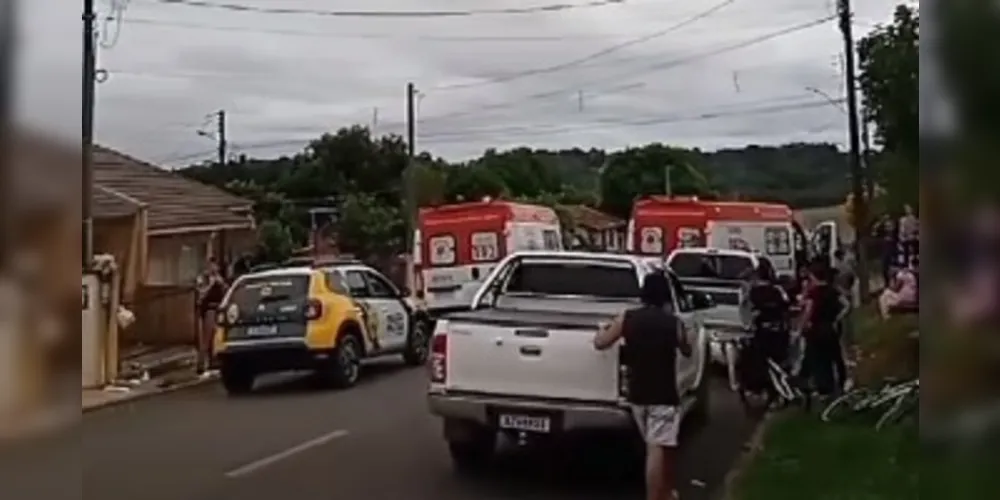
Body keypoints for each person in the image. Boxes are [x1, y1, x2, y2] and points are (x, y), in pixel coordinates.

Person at [593, 272, 691, 500]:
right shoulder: (673, 322)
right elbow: (687, 349)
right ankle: (654, 496)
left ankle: (665, 492)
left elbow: (601, 343)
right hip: (664, 394)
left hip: (637, 393)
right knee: (657, 448)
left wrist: (601, 329)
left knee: (659, 445)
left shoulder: (627, 318)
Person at [798, 262, 850, 397]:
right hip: (830, 328)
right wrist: (837, 318)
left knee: (819, 360)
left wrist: (803, 326)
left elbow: (809, 310)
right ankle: (840, 383)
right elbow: (846, 305)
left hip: (816, 329)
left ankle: (824, 389)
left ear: (814, 277)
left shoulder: (813, 293)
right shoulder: (833, 290)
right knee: (835, 356)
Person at [196, 259, 227, 375]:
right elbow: (201, 293)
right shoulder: (203, 278)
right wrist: (211, 284)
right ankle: (201, 364)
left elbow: (226, 291)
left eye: (215, 266)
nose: (213, 268)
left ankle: (214, 362)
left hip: (218, 309)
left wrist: (221, 283)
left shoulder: (219, 278)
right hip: (208, 310)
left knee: (216, 336)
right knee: (206, 337)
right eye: (211, 266)